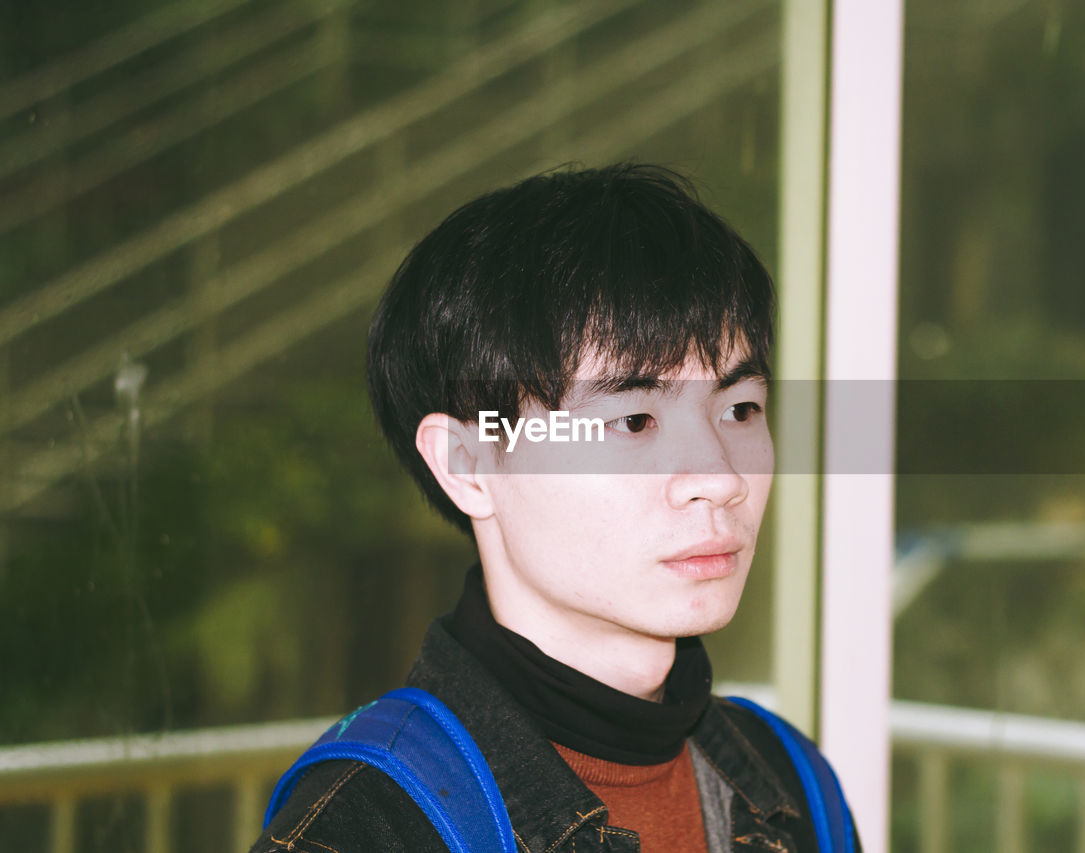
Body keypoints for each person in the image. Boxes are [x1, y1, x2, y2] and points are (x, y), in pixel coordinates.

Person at [251, 164, 856, 852]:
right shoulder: (368, 823)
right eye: (634, 420)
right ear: (466, 464)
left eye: (740, 408)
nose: (719, 476)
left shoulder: (792, 784)